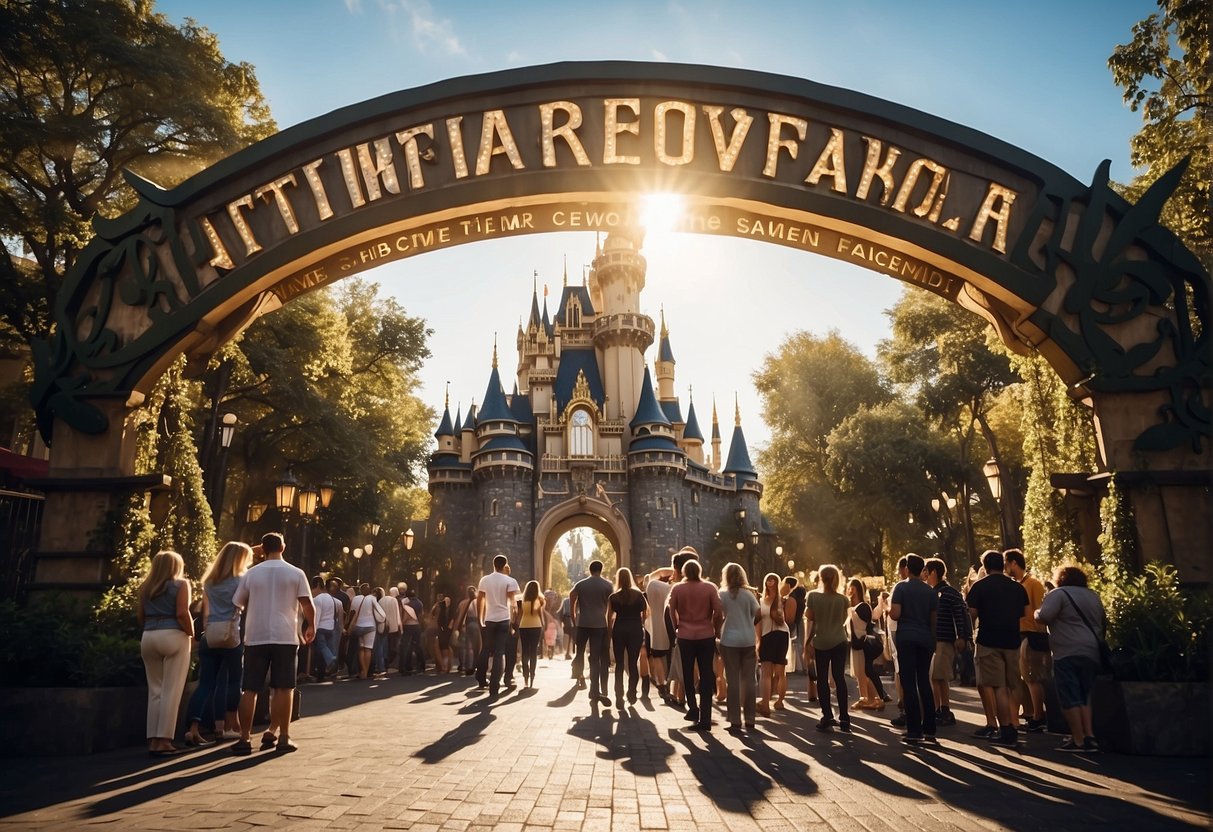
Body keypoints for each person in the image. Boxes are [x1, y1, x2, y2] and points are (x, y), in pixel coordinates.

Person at [231, 532, 315, 755]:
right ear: (283, 547)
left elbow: (237, 603)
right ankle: (284, 737)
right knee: (284, 688)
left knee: (249, 689)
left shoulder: (251, 574)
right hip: (285, 635)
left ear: (263, 549)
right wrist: (311, 626)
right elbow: (307, 604)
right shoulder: (296, 573)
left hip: (256, 635)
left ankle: (245, 738)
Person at [183, 542, 251, 747]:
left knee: (205, 684)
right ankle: (230, 726)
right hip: (231, 635)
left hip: (210, 634)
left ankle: (192, 729)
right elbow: (243, 605)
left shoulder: (209, 582)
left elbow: (205, 611)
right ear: (239, 560)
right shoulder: (241, 580)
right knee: (232, 682)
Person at [1035, 564, 1105, 753]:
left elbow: (1044, 616)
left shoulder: (1059, 594)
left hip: (1067, 651)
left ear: (1061, 578)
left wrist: (1036, 612)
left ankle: (1078, 739)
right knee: (1084, 695)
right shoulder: (1093, 595)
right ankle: (1089, 736)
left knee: (1069, 696)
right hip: (1091, 650)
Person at [966, 549, 1029, 748]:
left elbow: (972, 613)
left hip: (988, 640)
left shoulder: (980, 586)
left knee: (998, 686)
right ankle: (1014, 721)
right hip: (1012, 639)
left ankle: (1006, 728)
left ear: (985, 566)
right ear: (1003, 565)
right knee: (1013, 684)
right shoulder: (1017, 588)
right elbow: (1025, 612)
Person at [138, 550, 194, 756]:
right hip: (173, 635)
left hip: (149, 636)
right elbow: (182, 612)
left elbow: (141, 615)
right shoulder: (181, 584)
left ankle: (152, 739)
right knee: (172, 689)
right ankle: (164, 741)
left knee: (155, 690)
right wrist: (191, 633)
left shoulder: (146, 587)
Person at [667, 558, 723, 731]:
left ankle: (693, 707)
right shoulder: (710, 587)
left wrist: (676, 626)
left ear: (684, 572)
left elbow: (671, 609)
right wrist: (715, 627)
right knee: (706, 674)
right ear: (699, 571)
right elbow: (718, 610)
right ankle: (705, 718)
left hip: (685, 635)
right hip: (706, 634)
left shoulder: (677, 589)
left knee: (687, 672)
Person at [889, 554, 938, 744]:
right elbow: (934, 619)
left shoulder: (901, 587)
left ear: (907, 569)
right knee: (924, 681)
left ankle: (914, 729)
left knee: (909, 683)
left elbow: (895, 614)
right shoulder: (930, 592)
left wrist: (888, 611)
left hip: (907, 637)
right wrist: (932, 641)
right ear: (923, 570)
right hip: (925, 638)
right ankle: (930, 728)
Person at [1005, 548, 1050, 733]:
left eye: (1006, 563)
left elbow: (1039, 610)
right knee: (1023, 678)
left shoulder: (1033, 583)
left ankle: (1039, 716)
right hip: (1020, 634)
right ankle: (1030, 713)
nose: (1005, 567)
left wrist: (1037, 633)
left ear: (1014, 563)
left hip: (1032, 635)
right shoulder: (1017, 584)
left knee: (1032, 677)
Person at [923, 557, 970, 727]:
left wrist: (961, 637)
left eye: (926, 571)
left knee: (938, 676)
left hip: (944, 640)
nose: (925, 575)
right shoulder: (934, 592)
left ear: (934, 572)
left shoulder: (948, 593)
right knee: (938, 677)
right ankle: (942, 709)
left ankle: (942, 710)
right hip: (937, 640)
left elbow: (960, 615)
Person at [805, 564, 850, 733]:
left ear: (820, 578)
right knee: (839, 677)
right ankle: (845, 717)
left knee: (822, 679)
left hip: (821, 641)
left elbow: (810, 619)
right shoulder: (843, 599)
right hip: (839, 640)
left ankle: (827, 715)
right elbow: (843, 620)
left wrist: (807, 643)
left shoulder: (813, 597)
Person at [718, 562, 760, 733]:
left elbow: (718, 615)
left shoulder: (722, 594)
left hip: (729, 640)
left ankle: (735, 719)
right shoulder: (748, 595)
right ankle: (750, 718)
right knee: (749, 680)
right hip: (748, 639)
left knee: (733, 680)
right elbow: (757, 614)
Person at [569, 560, 614, 706]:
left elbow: (572, 596)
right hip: (599, 624)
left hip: (583, 623)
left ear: (589, 569)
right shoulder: (607, 585)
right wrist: (608, 624)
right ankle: (595, 689)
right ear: (601, 569)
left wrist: (573, 616)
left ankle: (578, 674)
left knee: (580, 651)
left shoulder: (581, 584)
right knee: (595, 658)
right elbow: (611, 607)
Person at [476, 555, 520, 699]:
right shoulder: (510, 581)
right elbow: (513, 603)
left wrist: (480, 618)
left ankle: (481, 678)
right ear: (505, 565)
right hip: (503, 619)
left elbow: (480, 600)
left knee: (486, 649)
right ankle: (494, 687)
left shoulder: (485, 580)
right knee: (499, 652)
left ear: (493, 564)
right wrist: (514, 622)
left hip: (489, 618)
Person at [607, 567, 647, 707]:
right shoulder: (638, 594)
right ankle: (632, 692)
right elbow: (645, 613)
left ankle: (619, 696)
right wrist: (641, 624)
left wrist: (609, 634)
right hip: (635, 628)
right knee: (632, 663)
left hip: (619, 629)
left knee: (619, 664)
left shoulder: (613, 597)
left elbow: (609, 618)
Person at [846, 578, 888, 711]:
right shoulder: (852, 607)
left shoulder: (863, 606)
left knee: (865, 671)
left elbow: (865, 624)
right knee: (861, 672)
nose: (849, 591)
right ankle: (867, 699)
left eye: (852, 588)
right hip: (855, 642)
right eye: (849, 588)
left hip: (862, 642)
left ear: (857, 589)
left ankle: (877, 698)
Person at [757, 572, 794, 716]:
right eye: (768, 580)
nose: (770, 582)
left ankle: (775, 701)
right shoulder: (763, 600)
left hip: (775, 634)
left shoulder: (781, 600)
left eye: (773, 580)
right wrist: (758, 641)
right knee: (774, 671)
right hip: (776, 634)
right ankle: (768, 702)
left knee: (777, 671)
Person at [644, 566, 675, 700]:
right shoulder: (673, 589)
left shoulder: (652, 587)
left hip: (655, 629)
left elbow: (652, 575)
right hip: (671, 627)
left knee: (657, 656)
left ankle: (661, 685)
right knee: (672, 657)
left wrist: (668, 571)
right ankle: (672, 685)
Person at [346, 583, 385, 680]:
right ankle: (366, 672)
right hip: (370, 626)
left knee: (361, 648)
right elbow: (379, 610)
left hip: (359, 625)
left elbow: (352, 612)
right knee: (368, 649)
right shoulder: (372, 598)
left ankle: (362, 670)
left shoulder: (356, 599)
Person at [309, 575, 339, 680]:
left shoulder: (317, 599)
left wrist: (313, 629)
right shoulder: (331, 598)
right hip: (330, 627)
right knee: (325, 648)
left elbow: (317, 616)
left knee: (321, 647)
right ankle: (324, 670)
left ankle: (331, 660)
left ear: (317, 586)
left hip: (321, 627)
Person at [517, 580, 545, 688]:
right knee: (533, 651)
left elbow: (519, 615)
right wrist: (543, 626)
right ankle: (532, 676)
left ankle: (525, 678)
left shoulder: (521, 601)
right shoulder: (540, 601)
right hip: (536, 626)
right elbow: (540, 615)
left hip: (523, 626)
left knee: (525, 651)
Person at [454, 586, 481, 675]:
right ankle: (474, 665)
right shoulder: (479, 602)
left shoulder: (463, 603)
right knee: (476, 646)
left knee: (465, 646)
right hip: (477, 623)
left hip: (466, 624)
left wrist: (458, 626)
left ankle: (464, 665)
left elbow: (458, 614)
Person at [784, 576, 807, 674]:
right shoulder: (799, 597)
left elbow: (790, 617)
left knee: (797, 644)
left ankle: (800, 667)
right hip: (800, 622)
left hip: (795, 623)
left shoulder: (792, 598)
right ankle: (802, 666)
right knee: (800, 644)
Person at [399, 588, 424, 674]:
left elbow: (404, 615)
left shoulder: (406, 602)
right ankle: (421, 664)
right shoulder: (419, 603)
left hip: (408, 625)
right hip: (416, 625)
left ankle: (405, 665)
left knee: (405, 646)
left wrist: (401, 624)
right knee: (418, 645)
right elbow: (421, 615)